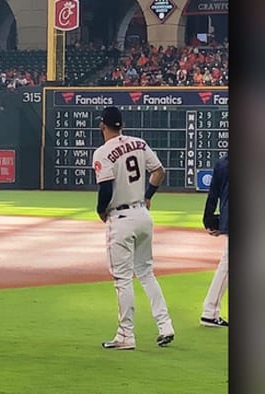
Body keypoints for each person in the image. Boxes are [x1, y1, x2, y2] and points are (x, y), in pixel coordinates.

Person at [91, 106, 175, 350]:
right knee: (147, 273)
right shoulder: (139, 143)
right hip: (142, 214)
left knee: (122, 279)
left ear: (102, 126)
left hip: (121, 218)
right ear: (122, 125)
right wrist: (149, 195)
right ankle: (165, 324)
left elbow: (105, 188)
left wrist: (100, 210)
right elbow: (159, 171)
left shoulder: (102, 152)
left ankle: (126, 335)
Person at [200, 154, 229, 327]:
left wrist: (209, 220)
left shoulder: (223, 163)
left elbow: (213, 195)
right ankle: (209, 312)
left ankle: (210, 311)